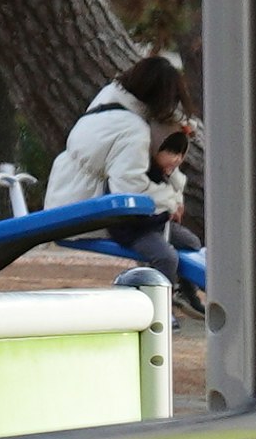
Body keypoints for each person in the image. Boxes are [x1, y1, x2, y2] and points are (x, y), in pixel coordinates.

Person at [43, 53, 192, 282]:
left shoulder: (107, 104)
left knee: (188, 244)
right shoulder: (132, 130)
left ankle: (175, 292)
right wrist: (171, 202)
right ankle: (157, 307)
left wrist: (173, 198)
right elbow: (130, 191)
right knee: (166, 256)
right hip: (91, 215)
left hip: (68, 201)